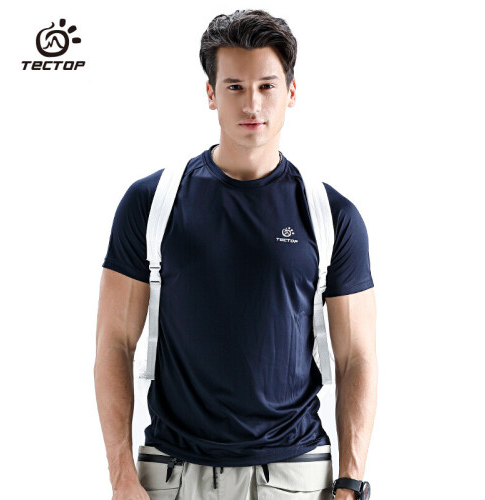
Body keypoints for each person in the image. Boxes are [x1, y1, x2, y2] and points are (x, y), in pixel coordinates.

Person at [94, 9, 378, 500]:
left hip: (294, 475)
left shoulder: (332, 215)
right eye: (234, 87)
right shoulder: (151, 203)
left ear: (291, 92)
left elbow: (358, 356)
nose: (252, 103)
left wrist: (351, 482)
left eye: (267, 86)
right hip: (171, 475)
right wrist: (121, 475)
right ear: (210, 93)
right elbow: (113, 344)